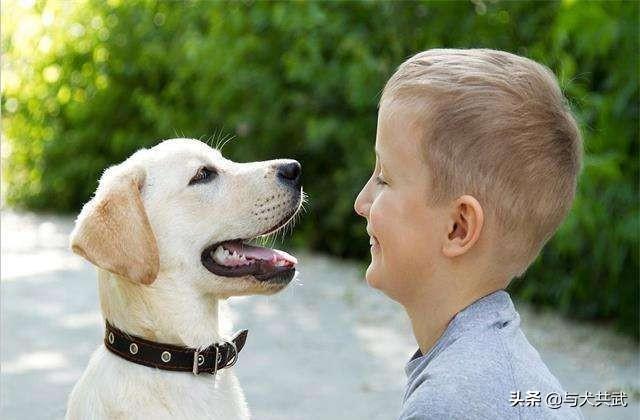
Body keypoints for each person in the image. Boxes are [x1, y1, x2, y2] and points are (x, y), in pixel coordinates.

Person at [354, 48, 584, 419]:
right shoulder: (492, 369)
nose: (361, 202)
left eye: (384, 178)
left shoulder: (454, 400)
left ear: (459, 227)